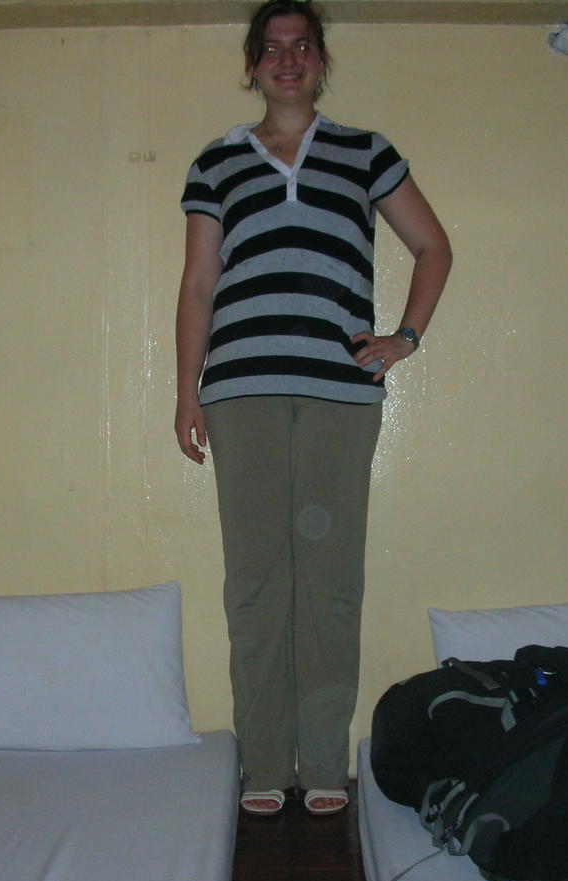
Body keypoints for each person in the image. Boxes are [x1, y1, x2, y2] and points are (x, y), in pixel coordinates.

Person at [174, 0, 452, 817]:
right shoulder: (216, 162)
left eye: (302, 46)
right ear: (252, 64)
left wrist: (404, 337)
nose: (287, 59)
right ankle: (265, 762)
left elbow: (433, 246)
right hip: (240, 391)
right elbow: (198, 283)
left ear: (321, 61)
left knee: (329, 584)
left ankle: (325, 761)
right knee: (257, 584)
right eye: (272, 48)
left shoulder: (367, 153)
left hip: (340, 393)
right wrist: (186, 391)